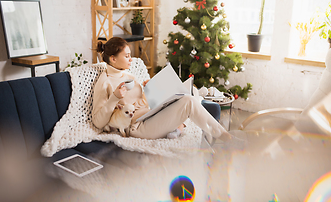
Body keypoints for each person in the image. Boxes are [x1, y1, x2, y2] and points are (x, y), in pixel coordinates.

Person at [92, 37, 232, 142]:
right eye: (127, 56)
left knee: (191, 91)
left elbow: (141, 102)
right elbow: (98, 122)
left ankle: (179, 128)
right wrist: (114, 97)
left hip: (151, 113)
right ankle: (224, 136)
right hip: (138, 127)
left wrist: (149, 88)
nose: (131, 60)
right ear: (113, 59)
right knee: (188, 101)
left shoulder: (128, 75)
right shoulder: (105, 82)